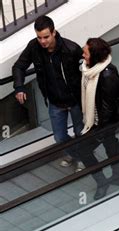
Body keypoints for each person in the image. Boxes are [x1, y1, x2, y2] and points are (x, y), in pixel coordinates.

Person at [12, 15, 84, 170]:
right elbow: (19, 66)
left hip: (75, 100)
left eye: (46, 37)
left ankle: (83, 158)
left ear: (54, 33)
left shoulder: (71, 48)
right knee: (59, 137)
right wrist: (19, 87)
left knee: (81, 132)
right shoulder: (34, 47)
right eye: (39, 37)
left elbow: (87, 68)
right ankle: (76, 155)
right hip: (54, 101)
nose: (42, 41)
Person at [80, 38, 119, 200]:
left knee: (84, 152)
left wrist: (99, 131)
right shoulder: (90, 70)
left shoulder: (107, 75)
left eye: (85, 52)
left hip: (104, 123)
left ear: (95, 56)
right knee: (111, 145)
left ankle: (102, 182)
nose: (83, 55)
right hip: (98, 121)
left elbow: (107, 108)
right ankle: (118, 177)